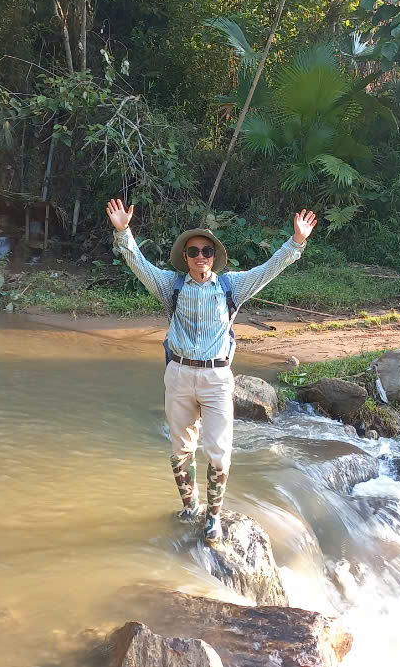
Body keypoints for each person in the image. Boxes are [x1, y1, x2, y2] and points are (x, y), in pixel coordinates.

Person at [106, 198, 317, 543]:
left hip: (217, 378)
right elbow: (139, 264)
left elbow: (269, 269)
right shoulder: (171, 286)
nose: (200, 256)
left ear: (214, 256)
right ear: (185, 257)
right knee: (180, 450)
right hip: (179, 375)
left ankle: (214, 517)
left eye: (206, 251)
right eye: (193, 252)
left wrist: (296, 241)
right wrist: (123, 232)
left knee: (219, 452)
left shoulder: (231, 286)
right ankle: (190, 506)